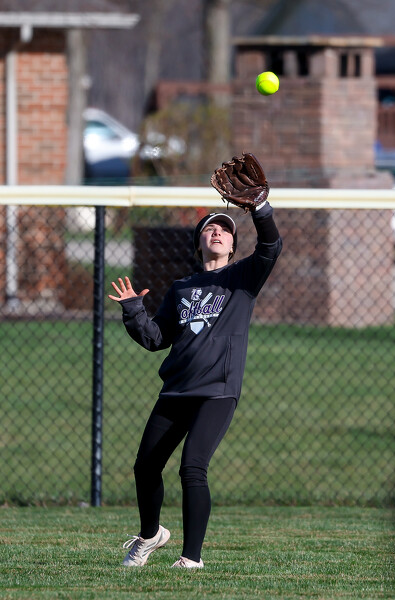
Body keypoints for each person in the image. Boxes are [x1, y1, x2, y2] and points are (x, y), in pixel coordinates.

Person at [109, 198, 282, 569]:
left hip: (217, 390)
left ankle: (191, 559)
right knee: (145, 466)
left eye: (225, 230)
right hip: (177, 389)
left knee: (192, 467)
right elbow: (156, 338)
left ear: (233, 246)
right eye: (209, 228)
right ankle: (150, 535)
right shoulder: (181, 288)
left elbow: (271, 245)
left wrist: (259, 208)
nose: (217, 232)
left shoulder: (243, 278)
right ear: (198, 243)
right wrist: (134, 310)